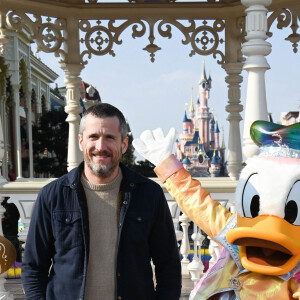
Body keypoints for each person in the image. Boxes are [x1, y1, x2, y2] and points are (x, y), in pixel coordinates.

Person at [22, 103, 181, 300]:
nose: (100, 147)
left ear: (123, 144)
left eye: (109, 138)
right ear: (81, 141)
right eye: (93, 137)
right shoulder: (52, 196)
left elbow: (169, 266)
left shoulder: (149, 194)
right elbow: (33, 267)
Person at [1, 196, 22, 262]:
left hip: (10, 234)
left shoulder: (9, 205)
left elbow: (12, 218)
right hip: (11, 233)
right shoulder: (11, 204)